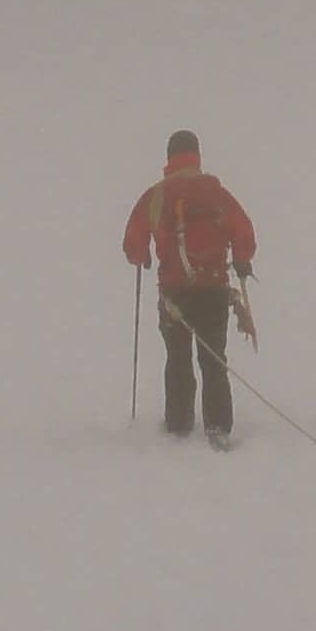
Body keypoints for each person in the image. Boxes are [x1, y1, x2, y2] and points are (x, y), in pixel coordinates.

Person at [124, 130, 256, 447]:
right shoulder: (216, 193)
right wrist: (241, 260)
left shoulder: (156, 195)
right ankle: (218, 425)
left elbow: (133, 241)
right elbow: (243, 230)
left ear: (169, 157)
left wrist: (141, 256)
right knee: (214, 359)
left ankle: (179, 424)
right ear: (197, 155)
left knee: (178, 357)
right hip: (212, 287)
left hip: (174, 292)